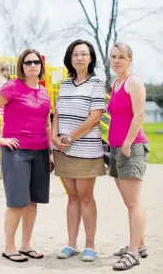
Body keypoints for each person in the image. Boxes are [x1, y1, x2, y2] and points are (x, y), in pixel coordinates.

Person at [0, 49, 52, 263]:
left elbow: (47, 124)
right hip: (16, 151)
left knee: (32, 202)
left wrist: (49, 152)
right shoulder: (12, 87)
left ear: (41, 66)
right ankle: (9, 247)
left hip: (40, 151)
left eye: (36, 62)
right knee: (17, 202)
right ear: (21, 66)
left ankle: (26, 245)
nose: (32, 65)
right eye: (28, 62)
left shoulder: (44, 91)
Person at [51, 39, 106, 262]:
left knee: (85, 197)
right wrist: (54, 138)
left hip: (86, 149)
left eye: (84, 54)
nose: (79, 58)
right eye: (75, 54)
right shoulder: (64, 84)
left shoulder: (96, 83)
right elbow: (57, 114)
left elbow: (95, 118)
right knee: (71, 197)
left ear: (90, 58)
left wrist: (70, 137)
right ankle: (71, 243)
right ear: (70, 58)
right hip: (63, 150)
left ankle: (90, 245)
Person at [108, 43, 149, 271]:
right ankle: (139, 245)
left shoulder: (134, 82)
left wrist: (127, 142)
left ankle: (133, 253)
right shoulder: (115, 83)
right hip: (115, 148)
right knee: (128, 201)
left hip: (130, 147)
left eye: (120, 57)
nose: (116, 61)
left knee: (133, 202)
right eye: (113, 57)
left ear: (129, 59)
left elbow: (139, 115)